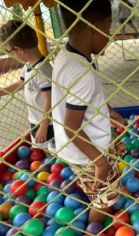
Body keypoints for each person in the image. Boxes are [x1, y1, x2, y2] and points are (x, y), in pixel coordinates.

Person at [52, 0, 126, 223]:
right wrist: (100, 163)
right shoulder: (82, 72)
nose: (110, 34)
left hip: (76, 148)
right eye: (109, 26)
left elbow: (76, 101)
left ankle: (90, 186)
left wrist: (108, 109)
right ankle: (94, 224)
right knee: (105, 198)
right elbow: (71, 126)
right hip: (88, 151)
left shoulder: (66, 56)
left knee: (108, 167)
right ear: (95, 26)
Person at [0, 20, 54, 150]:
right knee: (41, 152)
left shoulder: (43, 69)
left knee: (53, 154)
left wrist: (44, 126)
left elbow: (50, 99)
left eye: (9, 51)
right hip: (35, 120)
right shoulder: (28, 65)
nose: (11, 55)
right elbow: (20, 84)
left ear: (18, 49)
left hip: (49, 124)